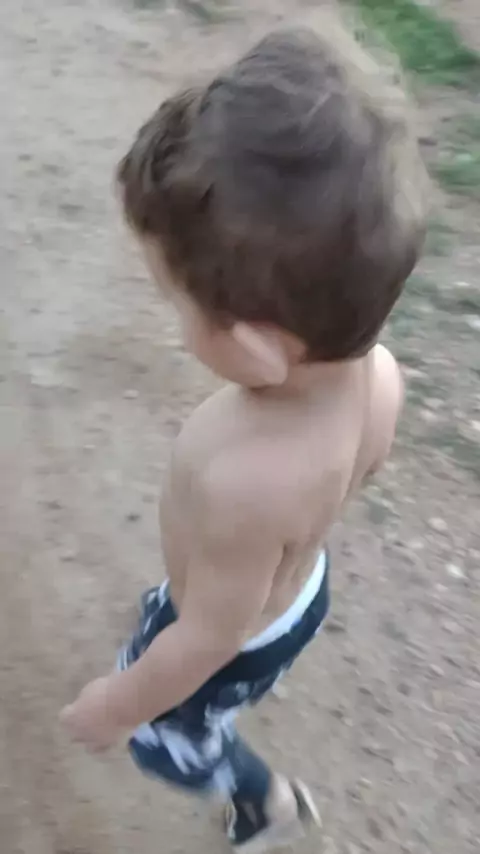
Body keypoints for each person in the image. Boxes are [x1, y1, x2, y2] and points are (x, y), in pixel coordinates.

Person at [61, 17, 428, 854]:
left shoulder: (248, 485)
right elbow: (358, 473)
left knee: (176, 736)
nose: (173, 321)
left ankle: (266, 803)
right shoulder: (379, 373)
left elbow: (210, 638)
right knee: (199, 613)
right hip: (285, 589)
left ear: (259, 350)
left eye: (176, 304)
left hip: (234, 630)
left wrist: (119, 705)